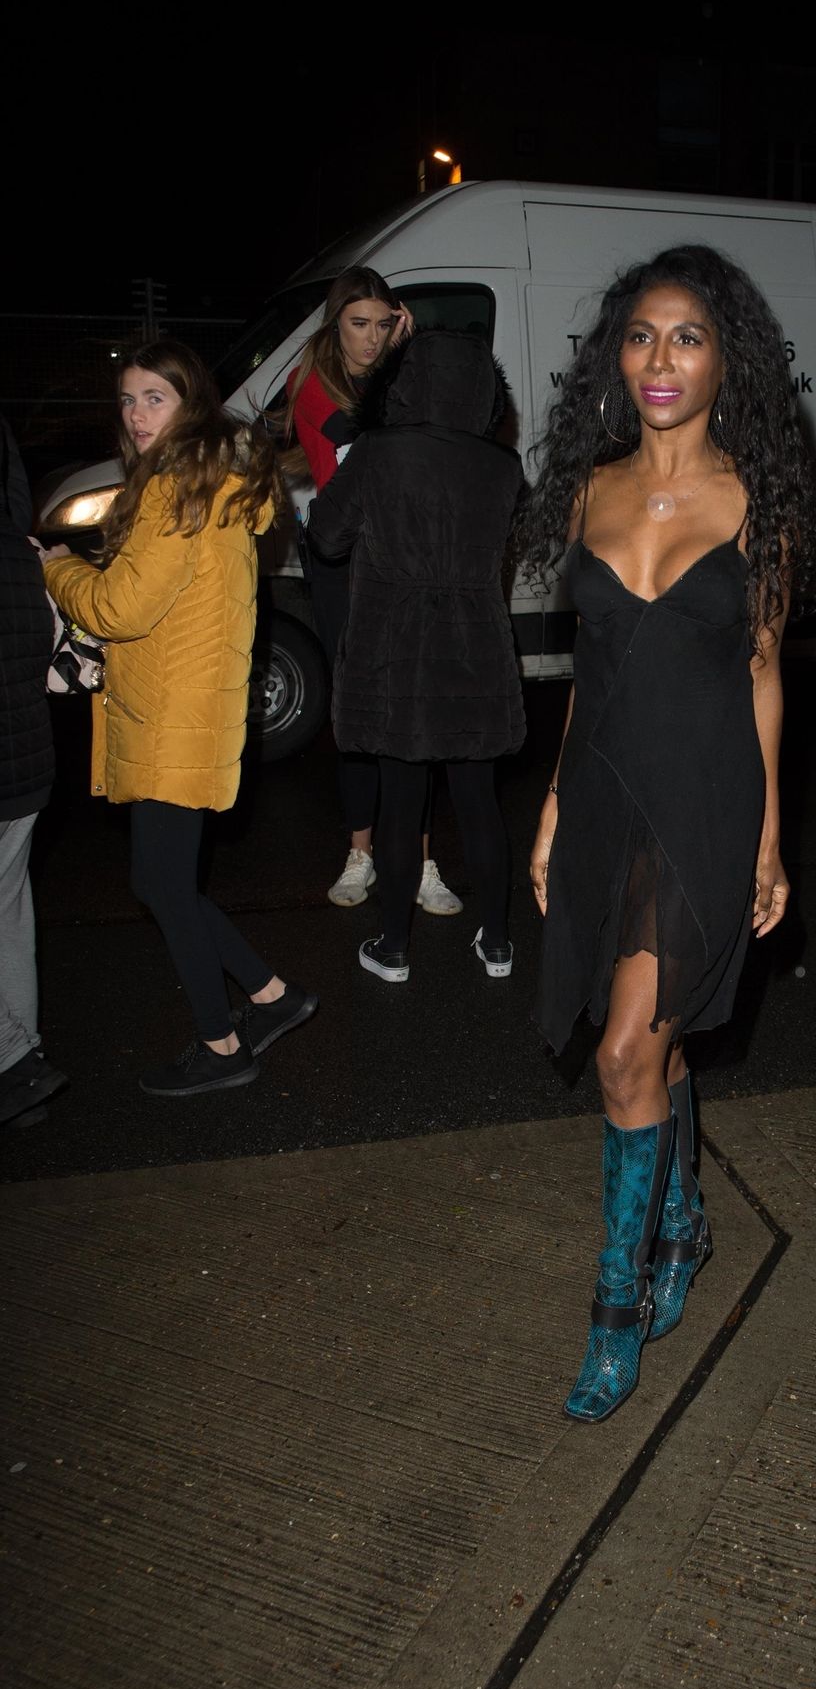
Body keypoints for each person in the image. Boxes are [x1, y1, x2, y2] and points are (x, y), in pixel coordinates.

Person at [517, 244, 816, 1422]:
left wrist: (769, 838)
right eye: (641, 335)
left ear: (724, 362)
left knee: (620, 1056)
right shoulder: (590, 491)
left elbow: (764, 676)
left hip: (704, 799)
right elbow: (594, 674)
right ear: (617, 356)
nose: (660, 357)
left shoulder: (758, 502)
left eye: (687, 337)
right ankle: (685, 1223)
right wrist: (554, 803)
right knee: (655, 1037)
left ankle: (618, 1301)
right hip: (603, 791)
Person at [40, 340, 318, 1096]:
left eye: (154, 399)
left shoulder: (175, 488)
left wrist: (57, 567)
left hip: (171, 714)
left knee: (161, 885)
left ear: (190, 402)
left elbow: (118, 608)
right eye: (128, 400)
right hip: (195, 705)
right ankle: (272, 996)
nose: (137, 415)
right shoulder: (215, 479)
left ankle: (223, 1046)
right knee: (161, 879)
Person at [307, 330, 525, 982]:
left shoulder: (378, 451)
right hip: (476, 651)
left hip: (396, 654)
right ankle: (497, 943)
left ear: (402, 385)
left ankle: (395, 949)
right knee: (479, 801)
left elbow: (326, 537)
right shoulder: (503, 466)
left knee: (400, 804)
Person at [282, 267, 462, 916]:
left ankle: (420, 860)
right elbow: (365, 435)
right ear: (335, 324)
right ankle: (361, 852)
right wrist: (402, 365)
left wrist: (412, 359)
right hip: (343, 564)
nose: (371, 338)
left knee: (413, 710)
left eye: (384, 325)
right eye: (359, 324)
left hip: (405, 559)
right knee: (356, 713)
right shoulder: (310, 383)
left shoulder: (395, 375)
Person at [0, 520, 69, 1127]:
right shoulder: (24, 552)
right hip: (26, 761)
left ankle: (13, 1059)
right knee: (10, 914)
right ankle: (24, 1069)